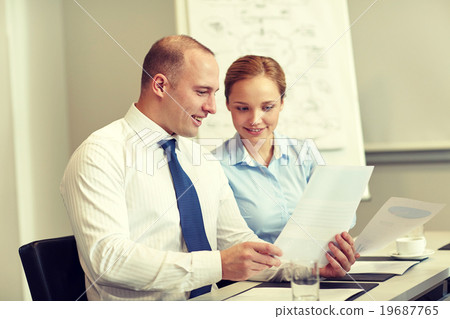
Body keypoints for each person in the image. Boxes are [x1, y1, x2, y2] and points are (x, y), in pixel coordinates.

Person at [61, 36, 355, 301]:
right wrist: (218, 265)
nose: (213, 108)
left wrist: (309, 268)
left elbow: (239, 241)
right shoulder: (100, 153)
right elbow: (109, 260)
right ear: (160, 85)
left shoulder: (199, 159)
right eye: (202, 92)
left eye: (214, 93)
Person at [215, 55, 359, 277]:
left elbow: (342, 216)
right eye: (243, 108)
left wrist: (340, 245)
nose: (255, 119)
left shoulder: (305, 153)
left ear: (282, 103)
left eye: (267, 107)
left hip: (317, 276)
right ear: (227, 105)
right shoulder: (215, 168)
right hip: (253, 288)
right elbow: (229, 250)